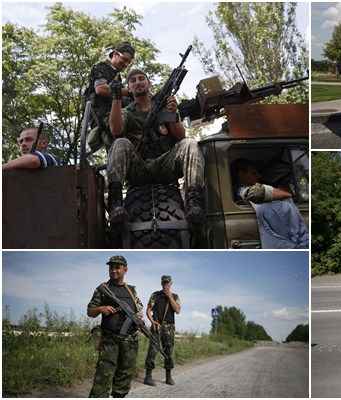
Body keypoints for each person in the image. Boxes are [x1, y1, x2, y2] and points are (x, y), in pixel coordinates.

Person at [106, 69, 206, 229]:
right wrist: (116, 97)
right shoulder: (127, 111)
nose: (138, 82)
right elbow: (116, 130)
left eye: (141, 78)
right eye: (133, 81)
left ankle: (194, 201)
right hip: (139, 169)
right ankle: (115, 203)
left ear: (149, 83)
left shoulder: (164, 105)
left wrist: (173, 114)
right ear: (129, 88)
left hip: (164, 166)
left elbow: (180, 136)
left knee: (190, 144)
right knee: (120, 143)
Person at [87, 255, 143, 398]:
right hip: (109, 340)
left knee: (124, 377)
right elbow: (90, 311)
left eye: (117, 267)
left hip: (130, 341)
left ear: (125, 270)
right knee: (102, 378)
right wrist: (101, 309)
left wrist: (139, 318)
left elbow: (139, 309)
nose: (113, 270)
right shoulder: (103, 289)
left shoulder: (132, 290)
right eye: (111, 267)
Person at [232, 158, 309, 249]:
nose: (258, 176)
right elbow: (257, 192)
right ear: (241, 174)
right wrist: (287, 194)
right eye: (253, 173)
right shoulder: (243, 190)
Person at [84, 42, 135, 152]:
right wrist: (131, 92)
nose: (126, 64)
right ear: (115, 54)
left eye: (129, 62)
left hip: (116, 115)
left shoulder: (117, 75)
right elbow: (101, 89)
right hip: (102, 116)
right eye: (124, 59)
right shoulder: (101, 67)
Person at [144, 275, 181, 386]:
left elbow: (178, 310)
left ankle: (168, 377)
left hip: (169, 328)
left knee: (168, 351)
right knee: (152, 351)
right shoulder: (155, 295)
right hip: (157, 326)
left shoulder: (175, 296)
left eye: (167, 283)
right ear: (161, 283)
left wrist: (169, 297)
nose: (165, 285)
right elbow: (148, 310)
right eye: (164, 283)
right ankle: (148, 376)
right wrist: (152, 321)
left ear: (171, 283)